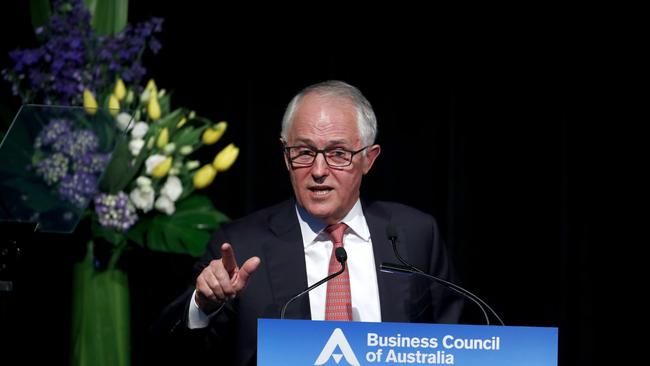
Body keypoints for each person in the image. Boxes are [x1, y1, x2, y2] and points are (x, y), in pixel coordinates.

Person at [155, 80, 463, 365]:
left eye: (338, 153)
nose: (318, 170)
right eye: (303, 152)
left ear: (369, 158)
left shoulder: (415, 234)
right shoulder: (240, 246)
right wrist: (203, 306)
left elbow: (456, 347)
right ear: (285, 156)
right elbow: (177, 353)